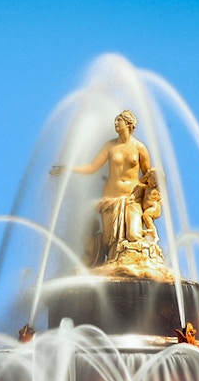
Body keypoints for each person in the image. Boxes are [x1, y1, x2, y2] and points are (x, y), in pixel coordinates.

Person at [53, 110, 159, 267]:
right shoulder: (110, 146)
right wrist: (68, 168)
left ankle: (141, 260)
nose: (116, 124)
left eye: (119, 121)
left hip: (132, 199)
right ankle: (109, 266)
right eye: (116, 121)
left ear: (129, 124)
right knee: (110, 242)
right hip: (110, 198)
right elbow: (91, 167)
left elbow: (149, 177)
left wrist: (146, 190)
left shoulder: (140, 148)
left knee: (133, 234)